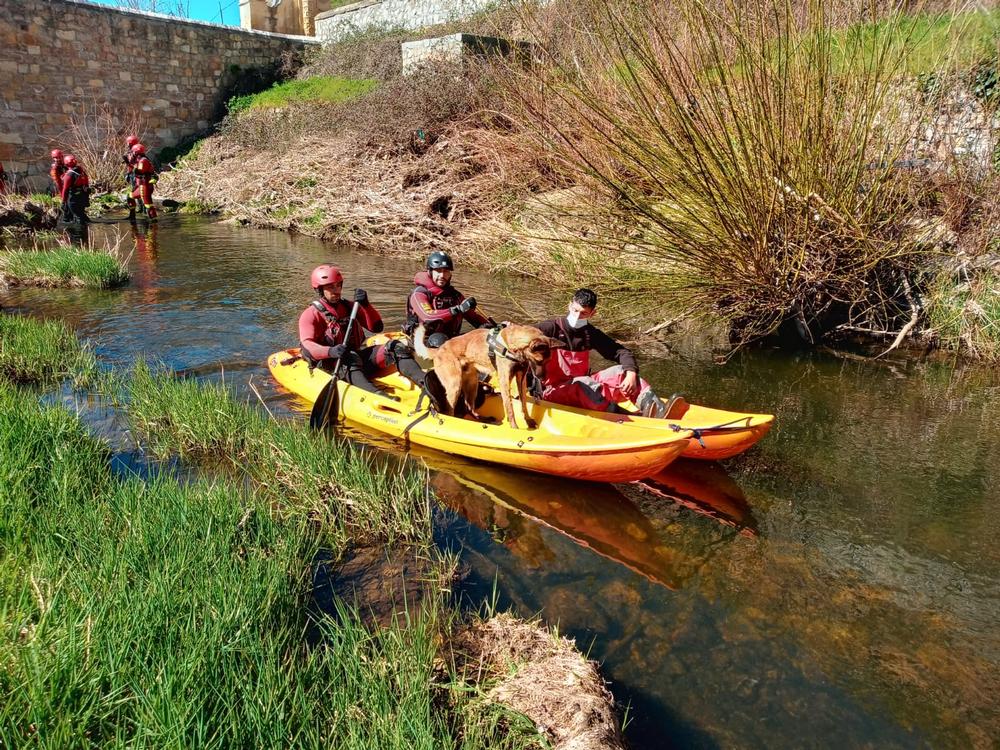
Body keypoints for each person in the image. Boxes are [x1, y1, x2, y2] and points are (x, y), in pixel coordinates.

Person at [534, 288, 686, 419]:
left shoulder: (591, 333)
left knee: (622, 372)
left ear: (592, 313)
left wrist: (631, 373)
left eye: (583, 313)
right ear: (569, 305)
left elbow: (620, 352)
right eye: (575, 310)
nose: (577, 316)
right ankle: (626, 417)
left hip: (582, 385)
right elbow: (522, 336)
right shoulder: (550, 328)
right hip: (553, 391)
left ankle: (656, 409)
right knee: (583, 383)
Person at [299, 264, 427, 395]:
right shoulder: (311, 314)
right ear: (320, 290)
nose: (337, 290)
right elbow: (308, 346)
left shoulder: (349, 307)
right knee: (350, 357)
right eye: (331, 287)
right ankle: (376, 394)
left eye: (338, 285)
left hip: (356, 358)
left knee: (396, 346)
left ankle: (426, 382)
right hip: (332, 364)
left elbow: (376, 327)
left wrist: (366, 305)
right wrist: (331, 351)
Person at [404, 251, 492, 349]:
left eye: (445, 271)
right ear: (430, 272)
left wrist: (495, 328)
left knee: (484, 332)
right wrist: (457, 309)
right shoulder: (419, 294)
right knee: (439, 339)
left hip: (450, 340)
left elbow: (475, 319)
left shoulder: (456, 296)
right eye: (438, 271)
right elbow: (427, 316)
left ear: (450, 274)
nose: (442, 275)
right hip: (423, 341)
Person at [128, 144, 158, 220]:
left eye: (133, 152)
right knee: (130, 196)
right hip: (141, 185)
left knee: (148, 204)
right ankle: (132, 216)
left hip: (145, 185)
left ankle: (153, 223)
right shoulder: (140, 159)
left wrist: (132, 165)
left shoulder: (143, 161)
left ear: (136, 152)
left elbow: (140, 171)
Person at [59, 154, 90, 224]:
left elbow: (65, 189)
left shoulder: (69, 175)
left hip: (73, 199)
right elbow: (86, 184)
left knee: (78, 218)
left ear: (66, 163)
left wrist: (63, 201)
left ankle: (78, 233)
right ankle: (87, 231)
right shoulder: (82, 172)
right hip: (82, 197)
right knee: (81, 215)